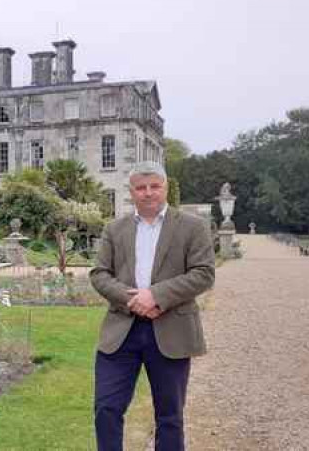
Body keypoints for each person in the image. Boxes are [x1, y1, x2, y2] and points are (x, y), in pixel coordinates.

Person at [90, 161, 215, 451]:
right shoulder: (115, 228)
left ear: (165, 188)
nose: (148, 193)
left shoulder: (192, 227)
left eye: (154, 186)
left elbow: (203, 273)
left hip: (171, 329)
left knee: (170, 417)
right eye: (140, 188)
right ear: (132, 192)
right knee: (106, 409)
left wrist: (156, 295)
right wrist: (131, 299)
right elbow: (99, 274)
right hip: (122, 331)